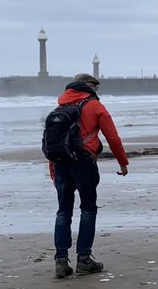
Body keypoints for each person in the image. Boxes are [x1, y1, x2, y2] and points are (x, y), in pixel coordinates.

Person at [51, 73, 129, 278]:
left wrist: (53, 171)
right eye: (96, 86)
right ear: (89, 85)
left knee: (63, 212)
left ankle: (61, 261)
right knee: (88, 209)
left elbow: (55, 142)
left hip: (61, 164)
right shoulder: (95, 106)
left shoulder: (60, 107)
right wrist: (123, 161)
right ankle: (84, 259)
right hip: (84, 162)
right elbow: (112, 137)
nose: (97, 91)